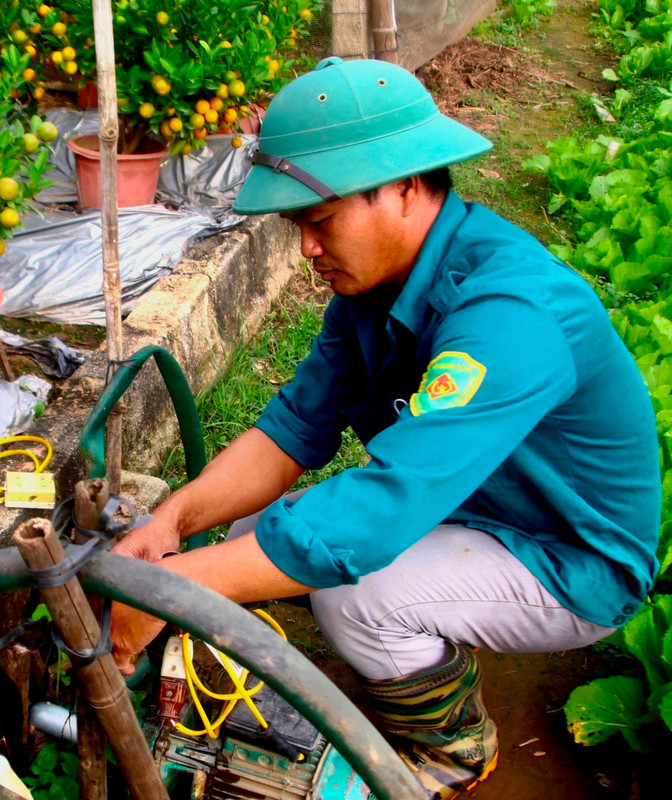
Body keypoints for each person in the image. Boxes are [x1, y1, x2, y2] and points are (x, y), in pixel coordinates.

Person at [109, 56, 660, 799]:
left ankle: (455, 743)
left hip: (566, 559)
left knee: (356, 594)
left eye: (320, 222)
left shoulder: (510, 314)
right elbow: (292, 431)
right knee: (244, 540)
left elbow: (382, 509)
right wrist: (173, 520)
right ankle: (411, 631)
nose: (306, 249)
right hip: (473, 505)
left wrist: (167, 592)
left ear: (404, 188)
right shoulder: (372, 290)